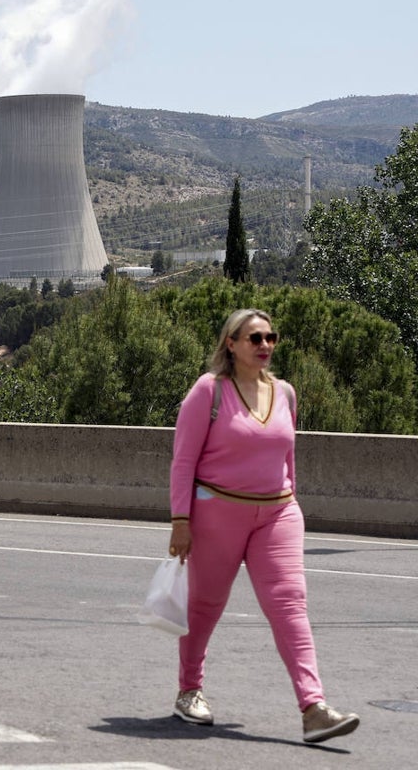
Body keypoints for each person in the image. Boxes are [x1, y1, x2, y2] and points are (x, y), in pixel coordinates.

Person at [167, 308, 359, 744]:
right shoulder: (209, 391)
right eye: (254, 338)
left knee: (290, 607)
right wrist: (181, 520)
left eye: (270, 337)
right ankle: (189, 690)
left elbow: (287, 457)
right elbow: (183, 461)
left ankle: (314, 708)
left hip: (277, 512)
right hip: (217, 512)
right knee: (205, 606)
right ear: (230, 344)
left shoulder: (285, 393)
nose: (265, 345)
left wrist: (292, 502)